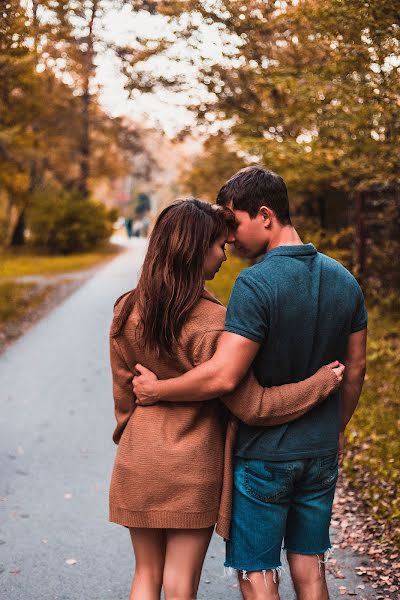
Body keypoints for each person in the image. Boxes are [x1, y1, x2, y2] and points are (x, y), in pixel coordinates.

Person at [133, 169, 368, 600]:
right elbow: (355, 369)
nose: (231, 237)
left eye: (234, 221)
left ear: (264, 215)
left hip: (264, 454)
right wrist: (336, 428)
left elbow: (224, 375)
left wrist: (158, 391)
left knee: (258, 573)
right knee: (311, 568)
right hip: (319, 452)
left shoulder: (255, 284)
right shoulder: (345, 280)